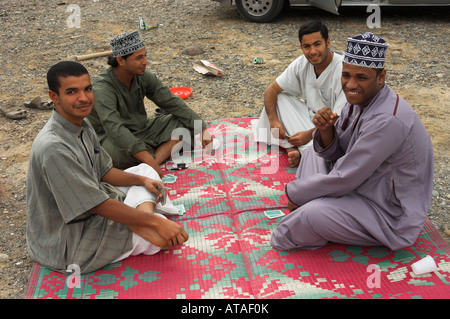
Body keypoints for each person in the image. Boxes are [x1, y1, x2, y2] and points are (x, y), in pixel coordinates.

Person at [271, 32, 434, 251]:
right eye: (346, 75)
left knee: (307, 217)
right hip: (361, 185)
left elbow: (346, 177)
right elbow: (338, 152)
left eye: (361, 77)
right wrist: (325, 130)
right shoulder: (358, 100)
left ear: (381, 77)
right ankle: (321, 212)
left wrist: (297, 194)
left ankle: (314, 216)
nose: (350, 84)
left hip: (386, 211)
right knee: (311, 152)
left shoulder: (388, 120)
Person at [26, 61, 189, 274]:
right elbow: (95, 205)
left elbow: (104, 172)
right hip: (70, 238)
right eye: (72, 92)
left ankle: (137, 220)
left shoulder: (81, 124)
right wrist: (155, 223)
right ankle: (141, 219)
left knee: (145, 172)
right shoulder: (54, 148)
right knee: (162, 236)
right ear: (54, 96)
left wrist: (142, 181)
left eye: (87, 89)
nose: (84, 98)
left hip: (96, 197)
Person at [88, 30, 212, 177]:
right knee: (111, 155)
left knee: (186, 124)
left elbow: (172, 102)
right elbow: (115, 130)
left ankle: (150, 164)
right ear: (121, 60)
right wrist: (146, 155)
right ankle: (153, 158)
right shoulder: (102, 89)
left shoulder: (142, 77)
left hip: (142, 129)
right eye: (139, 58)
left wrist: (202, 128)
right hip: (110, 139)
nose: (145, 62)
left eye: (145, 56)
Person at [254, 20, 347, 167]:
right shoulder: (302, 63)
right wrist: (274, 121)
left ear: (328, 42)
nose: (313, 52)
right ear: (301, 47)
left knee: (322, 156)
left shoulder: (343, 69)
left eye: (317, 44)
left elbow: (340, 120)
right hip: (310, 119)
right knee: (278, 99)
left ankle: (300, 151)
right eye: (307, 46)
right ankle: (293, 148)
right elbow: (271, 90)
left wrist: (309, 135)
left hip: (331, 130)